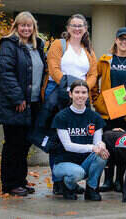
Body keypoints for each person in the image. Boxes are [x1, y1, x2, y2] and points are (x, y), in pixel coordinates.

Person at [0, 11, 46, 196]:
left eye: (29, 25)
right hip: (16, 104)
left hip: (34, 104)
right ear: (16, 26)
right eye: (22, 25)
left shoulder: (38, 46)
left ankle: (20, 181)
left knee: (24, 145)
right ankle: (10, 184)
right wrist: (18, 98)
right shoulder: (9, 44)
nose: (26, 28)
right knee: (13, 145)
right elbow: (5, 72)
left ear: (34, 27)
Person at [44, 14, 98, 194]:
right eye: (74, 25)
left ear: (85, 29)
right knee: (58, 140)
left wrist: (82, 90)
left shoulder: (88, 50)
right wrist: (69, 89)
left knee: (79, 137)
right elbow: (54, 69)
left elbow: (93, 75)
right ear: (68, 28)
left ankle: (72, 179)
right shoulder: (58, 45)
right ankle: (58, 181)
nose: (77, 29)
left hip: (81, 97)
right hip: (60, 95)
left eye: (80, 26)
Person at [93, 27, 126, 192]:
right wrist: (96, 100)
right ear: (115, 40)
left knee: (123, 147)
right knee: (108, 146)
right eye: (121, 39)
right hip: (107, 111)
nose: (124, 42)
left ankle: (119, 181)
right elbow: (94, 81)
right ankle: (107, 180)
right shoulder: (105, 60)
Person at [51, 80, 108, 201]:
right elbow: (68, 146)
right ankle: (68, 186)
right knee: (78, 172)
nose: (80, 95)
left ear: (88, 95)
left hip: (85, 161)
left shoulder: (95, 117)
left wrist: (101, 145)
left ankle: (91, 189)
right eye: (77, 92)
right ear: (70, 94)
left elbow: (97, 142)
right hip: (63, 162)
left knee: (102, 156)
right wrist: (92, 147)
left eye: (83, 92)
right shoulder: (61, 117)